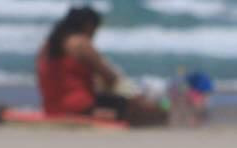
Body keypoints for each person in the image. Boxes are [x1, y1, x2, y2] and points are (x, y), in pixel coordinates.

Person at [36, 7, 168, 126]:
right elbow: (111, 78)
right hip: (80, 107)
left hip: (52, 108)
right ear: (88, 25)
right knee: (148, 110)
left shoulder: (47, 46)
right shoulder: (80, 43)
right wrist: (137, 96)